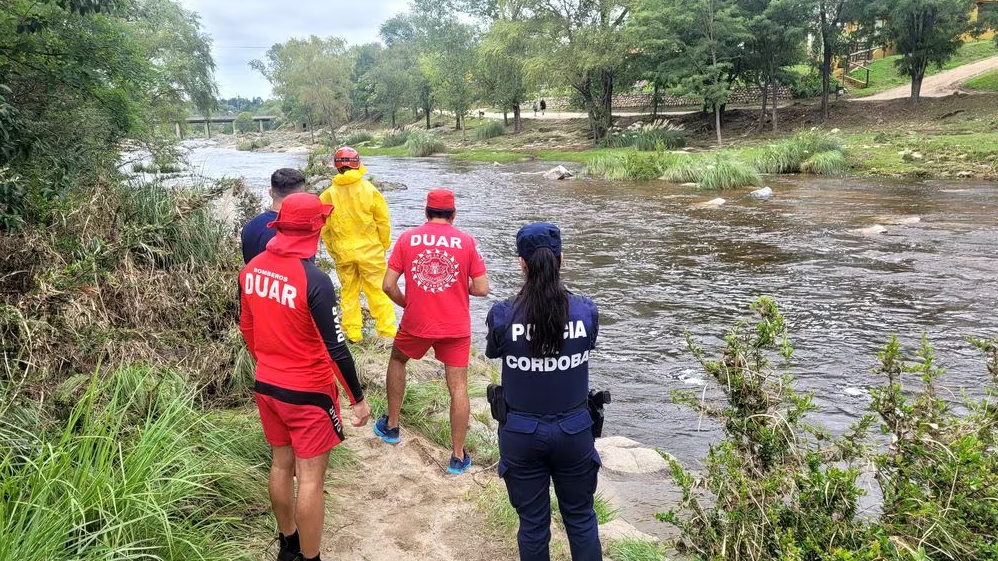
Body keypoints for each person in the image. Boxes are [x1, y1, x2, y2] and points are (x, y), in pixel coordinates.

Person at [239, 193, 372, 561]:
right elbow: (337, 348)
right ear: (316, 228)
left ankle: (288, 545)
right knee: (311, 478)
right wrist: (357, 399)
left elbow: (247, 329)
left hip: (267, 386)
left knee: (281, 464)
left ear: (279, 226)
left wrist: (269, 361)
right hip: (309, 393)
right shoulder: (314, 279)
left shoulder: (251, 270)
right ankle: (310, 558)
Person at [484, 222, 602, 561]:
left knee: (533, 526)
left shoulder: (504, 315)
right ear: (561, 259)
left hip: (521, 433)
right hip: (575, 431)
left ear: (522, 263)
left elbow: (494, 351)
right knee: (581, 519)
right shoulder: (586, 311)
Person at [375, 189, 489, 474]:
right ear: (454, 214)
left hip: (417, 322)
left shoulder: (407, 238)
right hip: (455, 325)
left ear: (425, 212)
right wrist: (460, 285)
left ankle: (392, 426)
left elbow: (388, 285)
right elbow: (482, 288)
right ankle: (457, 456)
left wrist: (408, 302)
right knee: (458, 387)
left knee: (398, 360)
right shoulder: (466, 241)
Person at [319, 146, 397, 343]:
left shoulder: (328, 195)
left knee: (349, 292)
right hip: (371, 252)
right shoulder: (370, 191)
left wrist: (333, 251)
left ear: (337, 168)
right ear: (358, 164)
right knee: (378, 291)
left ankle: (353, 334)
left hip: (343, 252)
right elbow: (383, 222)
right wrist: (384, 245)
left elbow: (324, 228)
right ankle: (386, 333)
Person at [241, 168, 306, 264]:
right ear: (301, 197)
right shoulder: (297, 232)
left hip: (251, 278)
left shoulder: (249, 226)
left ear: (271, 192)